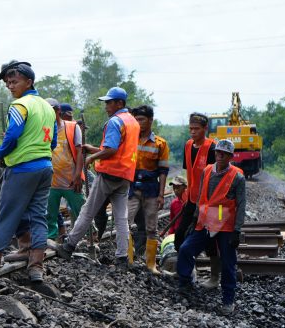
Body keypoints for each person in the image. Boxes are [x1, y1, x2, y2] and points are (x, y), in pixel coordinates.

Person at [0, 60, 56, 283]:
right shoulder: (47, 107)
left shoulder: (20, 106)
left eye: (14, 81)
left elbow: (12, 135)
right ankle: (36, 266)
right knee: (38, 217)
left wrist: (1, 154)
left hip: (22, 168)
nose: (10, 86)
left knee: (6, 214)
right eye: (7, 83)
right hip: (45, 167)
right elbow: (52, 141)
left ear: (29, 81)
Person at [55, 87, 140, 269]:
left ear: (119, 103)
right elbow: (120, 149)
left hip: (109, 174)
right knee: (121, 217)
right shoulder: (132, 122)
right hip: (125, 175)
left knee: (88, 211)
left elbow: (111, 150)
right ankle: (122, 258)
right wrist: (93, 148)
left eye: (109, 102)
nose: (106, 106)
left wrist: (92, 157)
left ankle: (69, 246)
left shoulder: (115, 122)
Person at [177, 139, 246, 315]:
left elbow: (241, 205)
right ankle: (185, 283)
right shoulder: (207, 170)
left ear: (230, 156)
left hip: (225, 226)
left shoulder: (237, 176)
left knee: (228, 264)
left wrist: (237, 231)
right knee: (185, 249)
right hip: (205, 223)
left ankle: (228, 301)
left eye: (223, 153)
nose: (219, 155)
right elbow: (201, 197)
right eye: (217, 152)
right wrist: (194, 220)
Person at [175, 112, 219, 288]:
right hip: (193, 200)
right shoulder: (188, 145)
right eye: (190, 129)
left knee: (211, 240)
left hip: (209, 203)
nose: (193, 132)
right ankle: (187, 272)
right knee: (180, 237)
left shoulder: (212, 148)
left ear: (205, 128)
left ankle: (215, 277)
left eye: (196, 129)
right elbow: (190, 172)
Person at [126, 105, 169, 274]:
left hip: (151, 189)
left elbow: (163, 171)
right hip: (132, 188)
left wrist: (161, 195)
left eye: (142, 119)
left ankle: (151, 264)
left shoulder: (160, 144)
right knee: (126, 223)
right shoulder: (130, 139)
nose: (139, 123)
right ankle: (128, 259)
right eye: (136, 120)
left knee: (152, 228)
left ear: (151, 120)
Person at [46, 98, 85, 241]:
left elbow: (79, 152)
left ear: (58, 111)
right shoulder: (43, 128)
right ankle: (53, 238)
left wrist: (77, 175)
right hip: (51, 180)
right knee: (50, 214)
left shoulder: (72, 127)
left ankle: (89, 236)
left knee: (80, 209)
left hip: (70, 179)